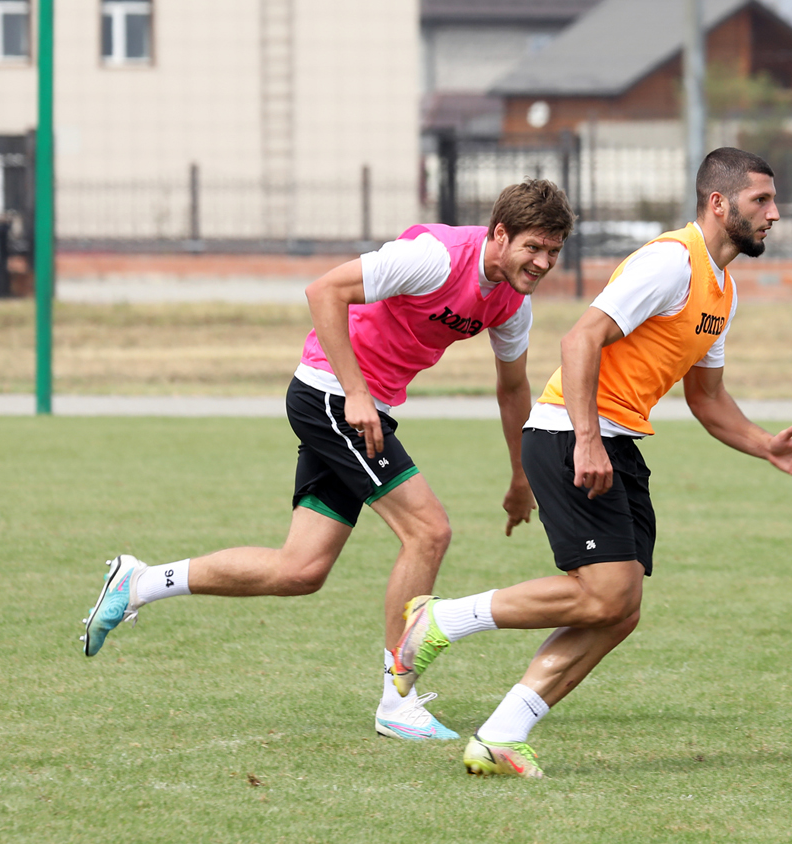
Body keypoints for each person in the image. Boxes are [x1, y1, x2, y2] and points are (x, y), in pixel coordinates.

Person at [387, 148, 792, 778]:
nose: (774, 214)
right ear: (719, 203)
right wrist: (589, 439)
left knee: (618, 610)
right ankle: (440, 620)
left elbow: (706, 398)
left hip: (616, 442)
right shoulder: (671, 260)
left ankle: (502, 735)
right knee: (604, 592)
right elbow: (581, 338)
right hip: (573, 434)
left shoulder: (721, 291)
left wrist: (765, 445)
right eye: (762, 201)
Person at [80, 180, 575, 740]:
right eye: (534, 247)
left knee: (301, 569)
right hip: (330, 396)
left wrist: (519, 476)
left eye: (554, 251)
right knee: (429, 532)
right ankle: (398, 698)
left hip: (361, 409)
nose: (543, 262)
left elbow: (513, 389)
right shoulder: (434, 258)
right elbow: (323, 292)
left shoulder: (512, 302)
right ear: (500, 234)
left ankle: (140, 583)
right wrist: (357, 392)